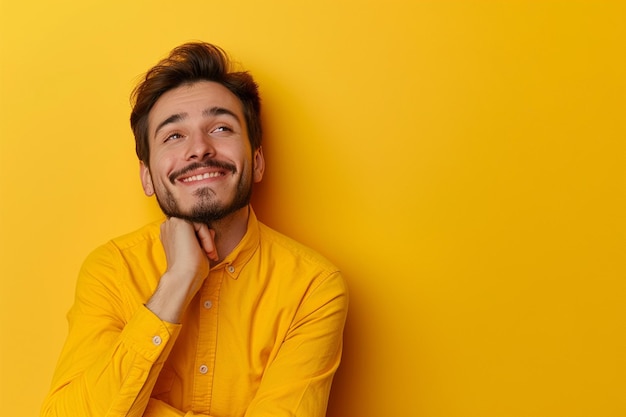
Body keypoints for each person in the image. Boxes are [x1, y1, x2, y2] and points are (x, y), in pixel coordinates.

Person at [41, 42, 348, 417]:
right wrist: (178, 281)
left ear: (257, 160)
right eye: (173, 136)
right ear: (148, 177)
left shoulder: (313, 288)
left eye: (220, 128)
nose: (198, 149)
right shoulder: (112, 269)